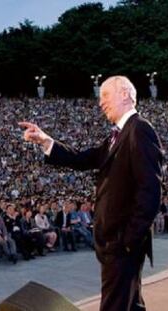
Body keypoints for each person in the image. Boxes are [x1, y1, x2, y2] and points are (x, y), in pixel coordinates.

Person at [19, 76, 163, 311]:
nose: (100, 103)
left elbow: (151, 190)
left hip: (121, 242)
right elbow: (82, 158)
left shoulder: (140, 130)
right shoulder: (117, 135)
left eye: (105, 95)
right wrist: (46, 141)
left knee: (114, 306)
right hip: (115, 242)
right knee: (130, 304)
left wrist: (128, 240)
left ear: (125, 94)